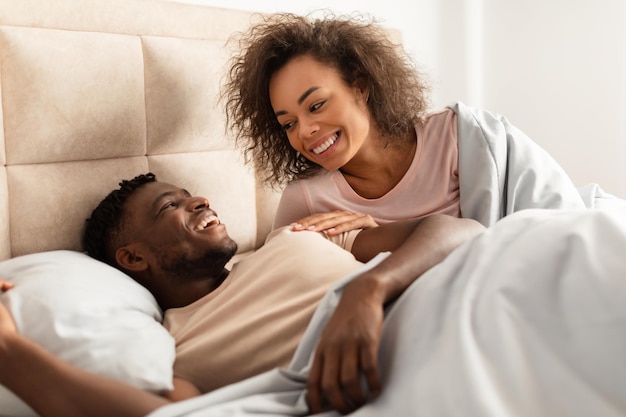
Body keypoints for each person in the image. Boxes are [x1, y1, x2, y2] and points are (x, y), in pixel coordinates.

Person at [0, 172, 484, 417]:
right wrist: (9, 352)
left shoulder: (297, 236)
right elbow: (161, 415)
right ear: (132, 259)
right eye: (172, 205)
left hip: (469, 298)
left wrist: (369, 288)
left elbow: (456, 230)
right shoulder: (175, 348)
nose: (201, 200)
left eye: (192, 193)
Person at [223, 12, 588, 236]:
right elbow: (281, 278)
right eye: (287, 124)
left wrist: (385, 232)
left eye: (316, 105)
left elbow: (558, 221)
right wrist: (372, 244)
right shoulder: (307, 199)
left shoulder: (462, 137)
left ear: (360, 86)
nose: (304, 131)